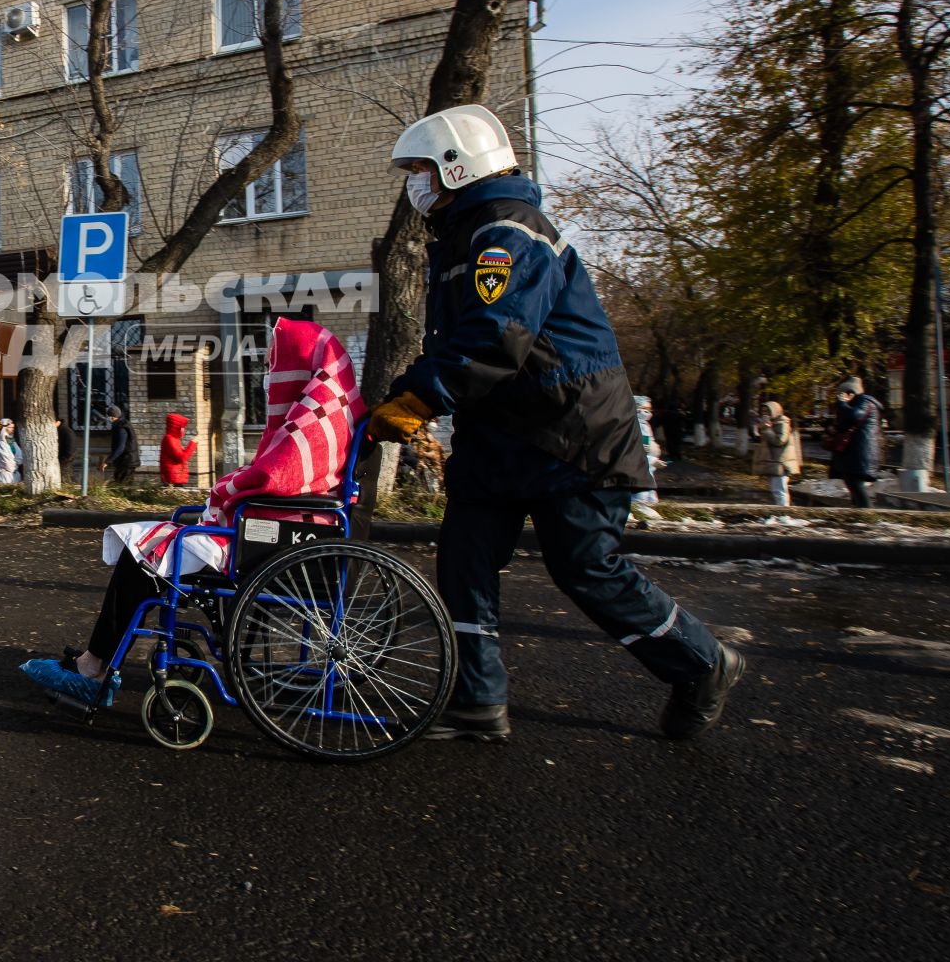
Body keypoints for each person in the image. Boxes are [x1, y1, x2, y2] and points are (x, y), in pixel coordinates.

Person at [369, 103, 742, 742]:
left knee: (586, 568)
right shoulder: (463, 237)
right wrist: (403, 395)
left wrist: (420, 401)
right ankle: (477, 701)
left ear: (457, 167)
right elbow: (454, 344)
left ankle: (703, 662)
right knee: (464, 560)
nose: (415, 184)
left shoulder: (508, 230)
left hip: (570, 433)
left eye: (422, 170)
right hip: (503, 435)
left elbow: (497, 335)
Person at [18, 319, 362, 706]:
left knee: (140, 559)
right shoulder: (329, 412)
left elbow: (276, 475)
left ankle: (93, 668)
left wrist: (227, 487)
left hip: (268, 539)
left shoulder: (314, 421)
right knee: (153, 551)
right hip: (278, 532)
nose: (271, 375)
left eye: (278, 365)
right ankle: (95, 662)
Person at [828, 377, 883, 508]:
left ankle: (867, 515)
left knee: (856, 484)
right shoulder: (854, 403)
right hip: (854, 453)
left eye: (844, 394)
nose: (841, 398)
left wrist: (842, 404)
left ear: (851, 393)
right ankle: (859, 513)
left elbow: (855, 416)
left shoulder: (865, 401)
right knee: (852, 483)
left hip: (861, 452)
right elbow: (845, 423)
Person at [752, 399, 801, 506]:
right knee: (774, 490)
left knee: (780, 490)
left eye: (767, 411)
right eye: (763, 411)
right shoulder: (772, 423)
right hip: (773, 462)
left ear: (775, 411)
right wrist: (760, 429)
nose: (765, 414)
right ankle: (776, 514)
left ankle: (784, 514)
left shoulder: (782, 423)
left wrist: (767, 430)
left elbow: (779, 441)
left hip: (780, 463)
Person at [159, 412, 197, 486]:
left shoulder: (174, 439)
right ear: (176, 427)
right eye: (182, 427)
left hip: (176, 477)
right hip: (173, 479)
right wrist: (193, 443)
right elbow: (182, 458)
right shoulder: (169, 439)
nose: (183, 430)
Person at [104, 405, 137, 485]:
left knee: (121, 485)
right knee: (125, 486)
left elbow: (120, 447)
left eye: (109, 416)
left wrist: (108, 461)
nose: (108, 419)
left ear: (112, 417)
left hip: (126, 461)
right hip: (127, 460)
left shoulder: (121, 427)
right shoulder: (123, 424)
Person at [0, 418, 23, 483]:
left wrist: (17, 462)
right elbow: (6, 461)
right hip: (5, 475)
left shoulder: (12, 441)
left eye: (13, 427)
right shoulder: (1, 443)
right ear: (4, 428)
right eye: (10, 427)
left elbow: (20, 455)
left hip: (15, 474)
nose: (12, 429)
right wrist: (15, 464)